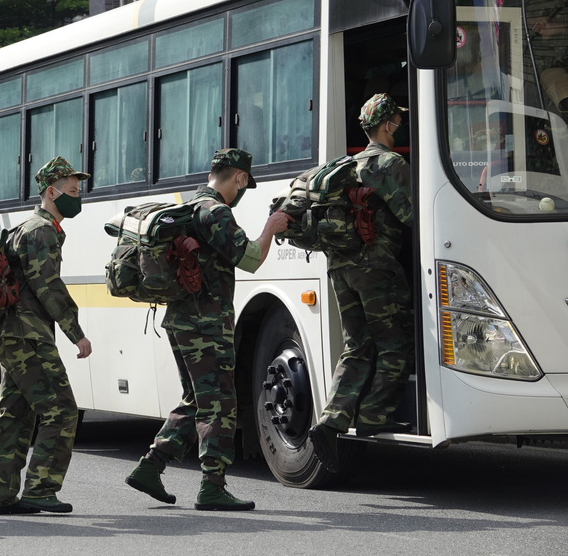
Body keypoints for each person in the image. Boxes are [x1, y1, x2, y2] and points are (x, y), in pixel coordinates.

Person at [125, 148, 290, 511]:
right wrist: (271, 228)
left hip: (181, 321)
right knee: (220, 404)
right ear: (240, 178)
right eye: (245, 184)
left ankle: (150, 467)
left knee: (197, 400)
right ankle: (212, 486)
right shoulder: (215, 211)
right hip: (207, 325)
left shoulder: (192, 206)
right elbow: (250, 259)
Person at [308, 93, 414, 473]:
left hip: (340, 268)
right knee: (395, 343)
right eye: (398, 121)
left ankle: (331, 420)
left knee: (357, 344)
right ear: (386, 125)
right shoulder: (390, 163)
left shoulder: (349, 166)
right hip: (377, 268)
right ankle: (373, 416)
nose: (400, 126)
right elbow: (412, 214)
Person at [0, 156, 93, 516]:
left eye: (79, 190)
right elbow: (49, 287)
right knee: (61, 411)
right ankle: (41, 489)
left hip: (13, 335)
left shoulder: (25, 228)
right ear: (51, 191)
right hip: (28, 337)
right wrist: (76, 333)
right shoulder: (40, 231)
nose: (78, 197)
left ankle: (0, 494)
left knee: (15, 414)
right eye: (72, 191)